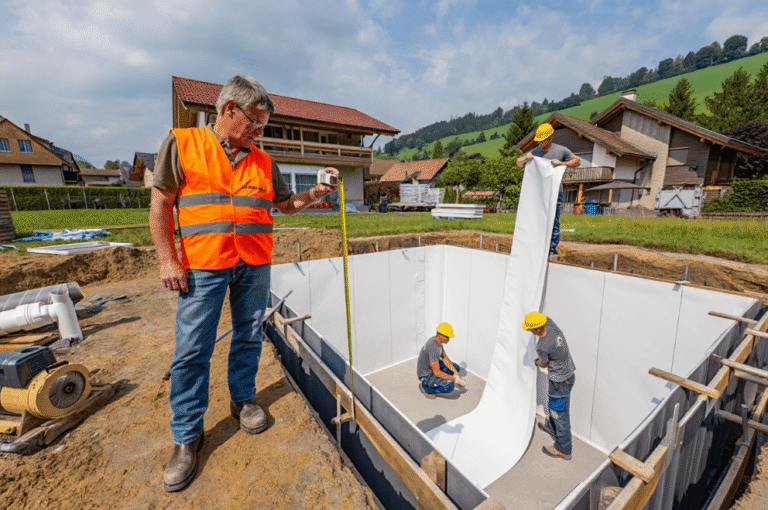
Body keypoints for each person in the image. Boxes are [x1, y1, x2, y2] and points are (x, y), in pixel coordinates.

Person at [149, 75, 339, 492]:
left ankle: (242, 399)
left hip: (254, 263)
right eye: (255, 120)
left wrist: (315, 194)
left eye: (264, 124)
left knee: (249, 336)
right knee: (193, 348)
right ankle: (186, 437)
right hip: (203, 266)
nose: (259, 130)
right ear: (228, 108)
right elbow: (161, 201)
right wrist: (167, 259)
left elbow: (285, 206)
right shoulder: (183, 145)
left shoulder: (264, 161)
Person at [516, 123, 580, 256]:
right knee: (534, 219)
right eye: (539, 141)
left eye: (543, 140)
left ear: (550, 138)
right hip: (537, 193)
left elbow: (577, 161)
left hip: (555, 192)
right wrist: (525, 159)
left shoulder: (561, 150)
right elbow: (518, 163)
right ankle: (533, 246)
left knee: (554, 221)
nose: (540, 143)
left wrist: (562, 163)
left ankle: (551, 249)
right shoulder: (535, 152)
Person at [522, 311, 576, 461]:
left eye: (530, 329)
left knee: (560, 415)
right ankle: (552, 429)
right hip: (567, 375)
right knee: (554, 408)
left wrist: (536, 362)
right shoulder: (550, 324)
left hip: (560, 382)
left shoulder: (543, 346)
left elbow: (543, 363)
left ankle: (564, 449)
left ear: (537, 329)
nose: (530, 331)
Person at [416, 322, 467, 398]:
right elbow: (436, 373)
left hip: (431, 366)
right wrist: (453, 378)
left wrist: (456, 373)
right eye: (447, 336)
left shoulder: (437, 341)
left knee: (456, 367)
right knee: (450, 386)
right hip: (426, 375)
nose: (448, 339)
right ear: (440, 336)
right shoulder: (434, 347)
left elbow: (445, 358)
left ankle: (440, 379)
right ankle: (426, 388)